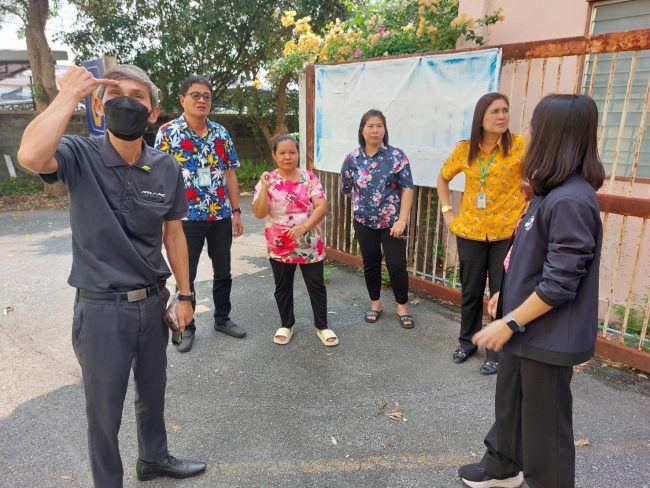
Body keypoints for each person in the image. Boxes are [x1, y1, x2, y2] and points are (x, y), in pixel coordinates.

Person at [17, 65, 206, 487]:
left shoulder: (166, 167)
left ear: (153, 112)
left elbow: (174, 233)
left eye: (138, 96)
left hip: (153, 303)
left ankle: (153, 459)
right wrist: (69, 95)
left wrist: (186, 294)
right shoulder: (79, 155)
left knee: (152, 392)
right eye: (115, 94)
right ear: (100, 107)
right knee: (104, 412)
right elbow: (30, 156)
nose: (126, 101)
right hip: (101, 309)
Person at [458, 94, 605, 488]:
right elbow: (528, 258)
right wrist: (505, 296)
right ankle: (503, 464)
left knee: (545, 426)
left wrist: (509, 321)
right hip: (526, 325)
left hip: (547, 333)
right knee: (510, 399)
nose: (527, 132)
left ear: (553, 136)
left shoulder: (571, 199)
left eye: (533, 126)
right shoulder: (549, 192)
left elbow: (560, 281)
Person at [437, 93, 526, 375]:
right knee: (471, 291)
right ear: (481, 118)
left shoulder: (520, 146)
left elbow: (538, 177)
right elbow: (443, 177)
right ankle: (467, 342)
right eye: (494, 112)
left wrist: (526, 211)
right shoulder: (466, 150)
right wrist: (448, 212)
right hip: (471, 231)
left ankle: (496, 351)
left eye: (505, 110)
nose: (502, 116)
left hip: (506, 234)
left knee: (502, 293)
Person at [155, 75, 245, 353]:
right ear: (182, 99)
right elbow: (158, 178)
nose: (202, 100)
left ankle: (222, 319)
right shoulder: (168, 133)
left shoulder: (221, 133)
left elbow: (230, 174)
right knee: (186, 275)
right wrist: (160, 216)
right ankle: (187, 326)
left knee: (224, 271)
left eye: (207, 96)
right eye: (196, 95)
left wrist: (236, 211)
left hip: (219, 215)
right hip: (184, 218)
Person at [252, 134, 337, 346]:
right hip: (280, 243)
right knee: (283, 286)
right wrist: (264, 188)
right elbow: (259, 213)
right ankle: (286, 324)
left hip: (309, 241)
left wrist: (304, 226)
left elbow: (321, 206)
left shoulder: (309, 178)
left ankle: (322, 326)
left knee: (316, 285)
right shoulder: (268, 180)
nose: (287, 156)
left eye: (292, 152)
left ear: (298, 154)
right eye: (282, 153)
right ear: (274, 155)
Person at [341, 109, 415, 328]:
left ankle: (402, 306)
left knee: (396, 265)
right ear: (362, 130)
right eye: (370, 126)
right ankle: (376, 304)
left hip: (393, 223)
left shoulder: (396, 156)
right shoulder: (352, 159)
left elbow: (407, 188)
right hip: (364, 223)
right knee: (371, 264)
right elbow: (347, 188)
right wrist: (363, 206)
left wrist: (402, 220)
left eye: (379, 126)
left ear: (385, 129)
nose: (375, 130)